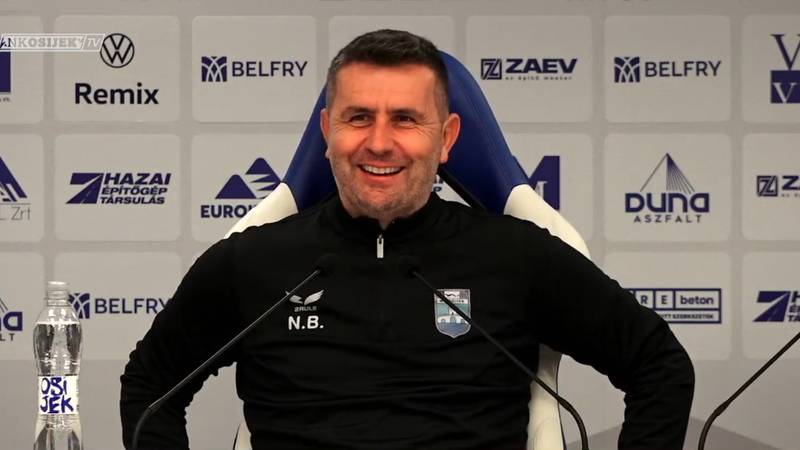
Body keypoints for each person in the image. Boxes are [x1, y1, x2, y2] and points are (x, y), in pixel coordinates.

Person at [120, 29, 694, 449]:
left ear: (446, 139)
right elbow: (150, 383)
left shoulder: (519, 256)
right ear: (327, 132)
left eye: (404, 119)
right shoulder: (254, 260)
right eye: (358, 117)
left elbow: (659, 365)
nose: (379, 142)